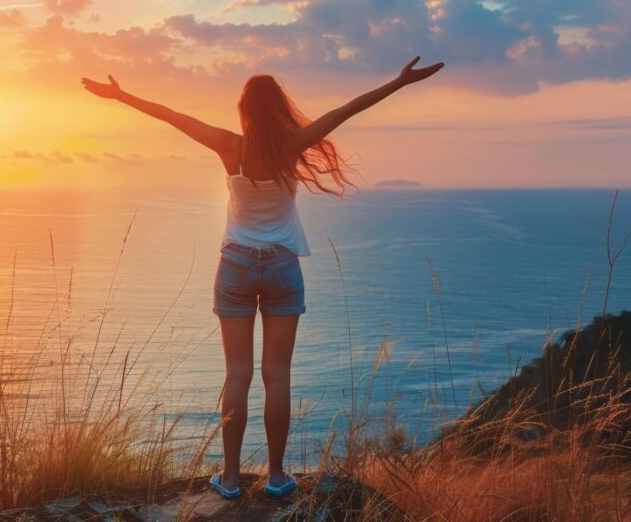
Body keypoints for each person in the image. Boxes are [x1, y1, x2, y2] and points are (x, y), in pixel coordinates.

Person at [81, 56, 444, 498]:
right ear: (279, 109)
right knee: (278, 374)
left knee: (237, 375)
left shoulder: (228, 146)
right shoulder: (292, 146)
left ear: (245, 111)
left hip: (234, 264)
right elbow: (348, 109)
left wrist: (121, 96)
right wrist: (399, 81)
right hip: (282, 266)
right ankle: (276, 477)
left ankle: (230, 479)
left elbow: (172, 116)